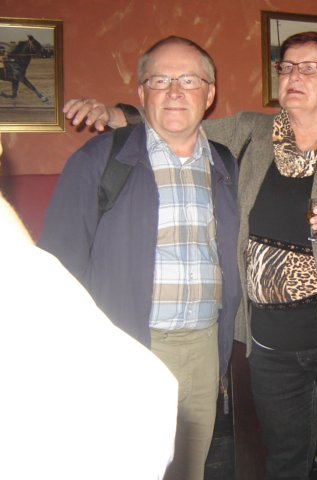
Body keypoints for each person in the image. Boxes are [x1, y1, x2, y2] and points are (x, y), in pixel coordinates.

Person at [65, 31, 317, 480]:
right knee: (283, 465)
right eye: (286, 67)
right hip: (271, 347)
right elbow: (178, 119)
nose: (293, 75)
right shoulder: (250, 133)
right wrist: (117, 114)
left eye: (309, 68)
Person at [39, 37, 240, 480]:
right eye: (160, 80)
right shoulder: (99, 160)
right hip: (127, 349)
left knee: (188, 470)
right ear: (141, 92)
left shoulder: (225, 164)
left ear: (209, 94)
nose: (174, 91)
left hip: (204, 348)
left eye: (189, 80)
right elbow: (55, 271)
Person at [0, 135, 178, 480]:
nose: (175, 101)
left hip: (201, 341)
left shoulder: (220, 154)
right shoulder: (98, 157)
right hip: (125, 330)